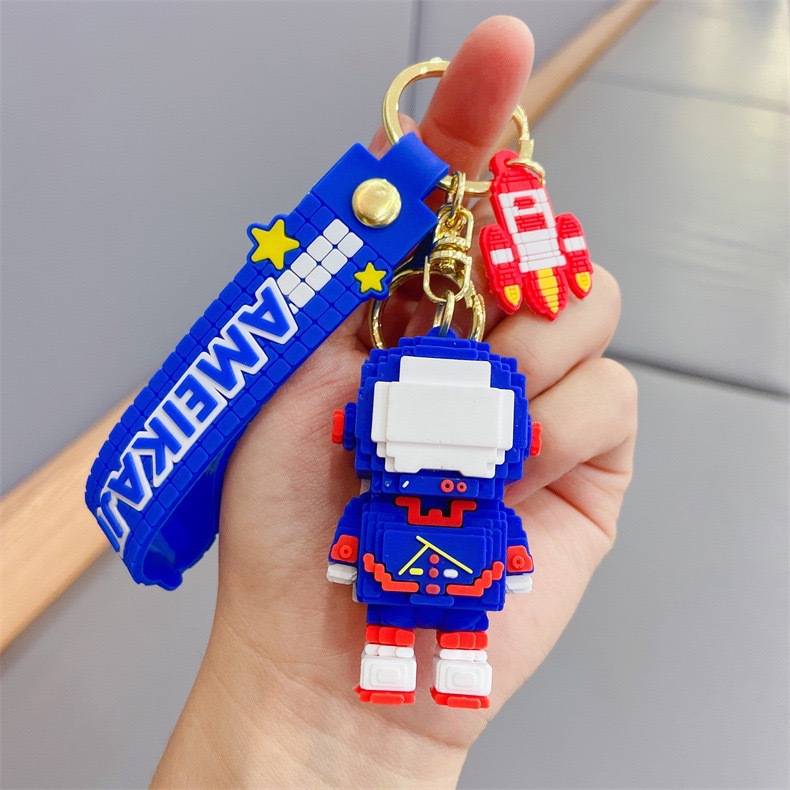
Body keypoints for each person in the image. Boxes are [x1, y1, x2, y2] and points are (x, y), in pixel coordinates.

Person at [152, 15, 637, 788]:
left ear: (513, 440)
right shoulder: (374, 484)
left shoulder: (482, 498)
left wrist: (507, 560)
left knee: (463, 637)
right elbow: (352, 543)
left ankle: (451, 669)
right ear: (362, 429)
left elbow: (504, 548)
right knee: (390, 634)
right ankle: (392, 663)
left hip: (446, 578)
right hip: (392, 575)